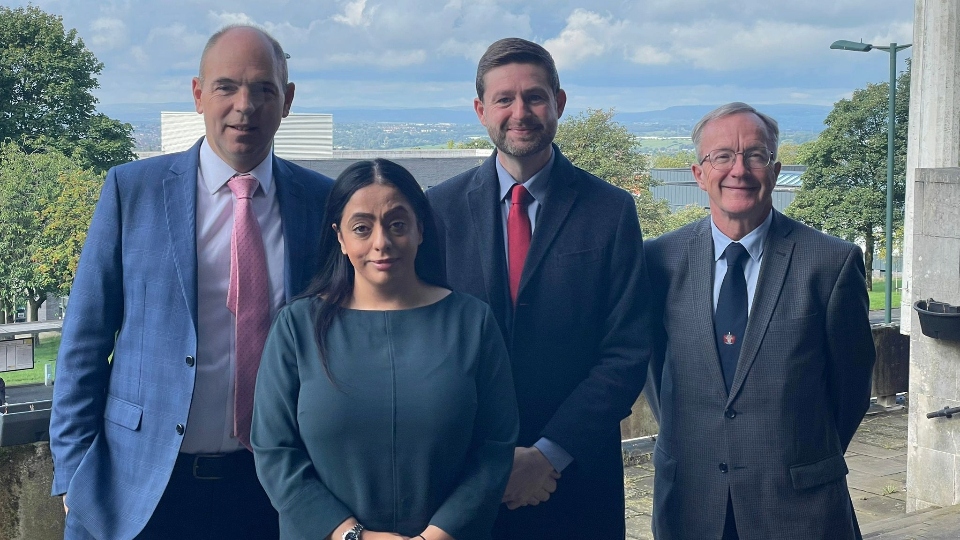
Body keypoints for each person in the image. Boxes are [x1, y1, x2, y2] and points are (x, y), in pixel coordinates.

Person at [48, 25, 334, 540]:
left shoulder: (323, 203)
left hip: (275, 490)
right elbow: (83, 343)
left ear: (287, 100)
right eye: (226, 86)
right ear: (199, 94)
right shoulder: (131, 191)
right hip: (142, 487)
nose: (244, 106)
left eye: (264, 89)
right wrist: (72, 472)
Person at [426, 38, 652, 539]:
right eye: (504, 99)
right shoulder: (438, 211)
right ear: (481, 110)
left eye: (534, 96)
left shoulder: (610, 211)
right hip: (462, 482)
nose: (520, 111)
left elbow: (627, 350)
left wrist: (547, 455)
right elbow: (423, 340)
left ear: (559, 103)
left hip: (576, 480)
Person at [252, 158, 518, 540]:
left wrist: (435, 537)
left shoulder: (472, 322)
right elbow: (275, 452)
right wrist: (353, 536)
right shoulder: (297, 327)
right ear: (339, 237)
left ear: (420, 229)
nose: (382, 242)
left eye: (397, 224)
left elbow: (494, 448)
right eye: (362, 228)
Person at [644, 102, 877, 539]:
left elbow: (851, 388)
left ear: (775, 169)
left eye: (755, 155)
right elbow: (657, 375)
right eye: (722, 156)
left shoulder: (831, 263)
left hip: (799, 506)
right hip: (691, 504)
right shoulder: (658, 261)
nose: (739, 170)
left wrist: (800, 455)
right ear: (699, 174)